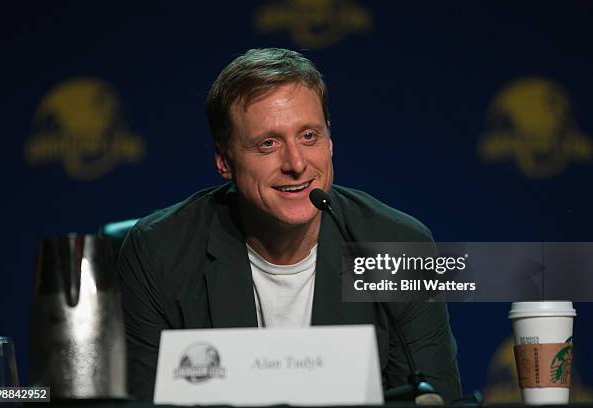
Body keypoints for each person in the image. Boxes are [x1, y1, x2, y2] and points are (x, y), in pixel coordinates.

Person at [118, 48, 461, 401]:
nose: (296, 163)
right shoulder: (158, 252)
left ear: (330, 141)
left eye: (308, 136)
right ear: (224, 159)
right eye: (268, 144)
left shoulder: (397, 247)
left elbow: (432, 397)